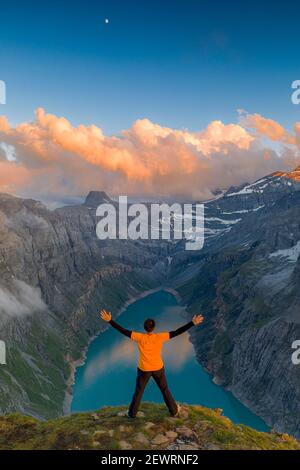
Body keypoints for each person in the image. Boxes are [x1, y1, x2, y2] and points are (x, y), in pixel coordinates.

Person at [100, 308, 204, 418]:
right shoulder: (160, 337)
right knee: (164, 389)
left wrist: (110, 320)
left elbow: (123, 330)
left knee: (139, 392)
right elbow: (177, 332)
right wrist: (192, 323)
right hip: (158, 368)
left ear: (145, 328)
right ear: (153, 328)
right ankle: (174, 411)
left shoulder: (139, 337)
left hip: (144, 369)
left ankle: (132, 414)